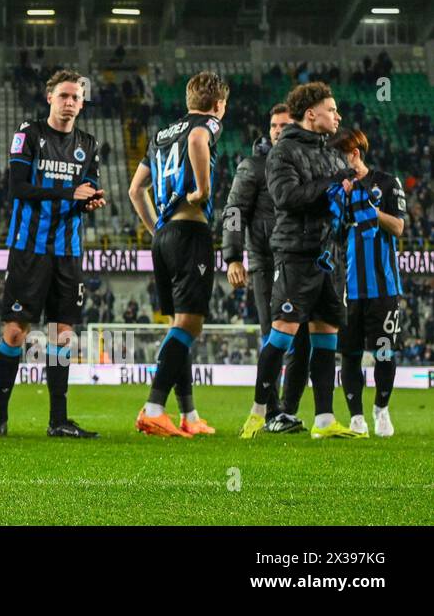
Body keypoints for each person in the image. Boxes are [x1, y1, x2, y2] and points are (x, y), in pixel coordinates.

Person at [240, 82, 362, 440]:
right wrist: (332, 183)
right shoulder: (283, 152)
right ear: (312, 114)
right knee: (283, 333)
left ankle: (324, 419)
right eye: (332, 109)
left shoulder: (335, 154)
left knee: (326, 334)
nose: (338, 116)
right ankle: (260, 412)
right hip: (296, 254)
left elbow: (336, 200)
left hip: (329, 257)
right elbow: (286, 196)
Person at [0, 70, 105, 439]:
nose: (69, 102)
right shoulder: (29, 135)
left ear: (82, 103)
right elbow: (18, 188)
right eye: (63, 96)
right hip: (29, 248)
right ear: (49, 98)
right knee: (15, 332)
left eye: (76, 97)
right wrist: (70, 193)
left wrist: (91, 201)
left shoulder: (89, 143)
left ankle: (58, 420)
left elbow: (89, 189)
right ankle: (0, 419)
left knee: (62, 333)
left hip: (67, 251)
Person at [128, 71, 228, 438]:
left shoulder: (160, 135)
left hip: (165, 235)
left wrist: (156, 229)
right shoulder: (207, 124)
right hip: (190, 231)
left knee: (179, 324)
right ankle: (154, 408)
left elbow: (135, 190)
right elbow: (200, 139)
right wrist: (201, 190)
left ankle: (189, 414)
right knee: (190, 323)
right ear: (218, 104)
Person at [222, 102, 307, 432]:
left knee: (302, 341)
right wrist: (232, 257)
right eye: (273, 125)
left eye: (284, 125)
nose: (277, 130)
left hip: (301, 264)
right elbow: (233, 211)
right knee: (274, 336)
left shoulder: (306, 166)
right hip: (264, 263)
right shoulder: (253, 167)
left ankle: (287, 410)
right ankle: (271, 411)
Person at [331, 128, 404, 437]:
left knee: (384, 351)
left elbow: (398, 227)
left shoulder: (387, 183)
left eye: (339, 157)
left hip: (384, 286)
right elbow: (333, 233)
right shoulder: (337, 188)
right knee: (349, 354)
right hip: (350, 288)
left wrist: (371, 212)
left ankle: (381, 409)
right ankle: (357, 416)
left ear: (354, 154)